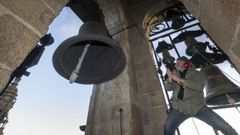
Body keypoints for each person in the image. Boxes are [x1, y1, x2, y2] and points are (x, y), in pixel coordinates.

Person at [164, 56, 238, 135]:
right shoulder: (175, 74)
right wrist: (170, 77)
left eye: (179, 61)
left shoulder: (196, 73)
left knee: (224, 126)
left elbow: (198, 86)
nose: (176, 63)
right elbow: (169, 88)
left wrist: (179, 79)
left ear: (186, 64)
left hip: (198, 107)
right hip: (179, 108)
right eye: (176, 62)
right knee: (168, 127)